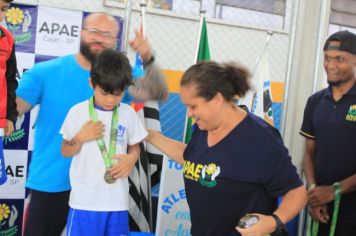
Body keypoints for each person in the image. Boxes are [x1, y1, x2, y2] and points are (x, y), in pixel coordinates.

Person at [16, 12, 167, 236]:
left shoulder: (119, 76)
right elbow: (12, 109)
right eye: (94, 31)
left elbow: (159, 92)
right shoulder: (45, 72)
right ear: (81, 32)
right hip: (51, 182)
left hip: (103, 192)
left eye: (107, 34)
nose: (100, 39)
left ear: (116, 41)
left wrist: (148, 58)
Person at [146, 61, 307, 236]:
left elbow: (297, 192)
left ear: (216, 100)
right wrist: (150, 135)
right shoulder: (203, 127)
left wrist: (272, 222)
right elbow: (191, 157)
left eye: (193, 106)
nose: (189, 114)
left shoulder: (261, 139)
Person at [60, 49, 147, 236]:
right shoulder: (78, 112)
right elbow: (65, 151)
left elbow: (135, 147)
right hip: (84, 203)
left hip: (118, 203)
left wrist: (132, 158)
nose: (110, 100)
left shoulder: (128, 113)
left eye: (117, 94)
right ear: (92, 83)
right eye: (104, 93)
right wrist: (80, 137)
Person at [301, 30, 356, 236]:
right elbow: (308, 154)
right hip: (322, 205)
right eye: (327, 58)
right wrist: (314, 194)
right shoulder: (315, 102)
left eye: (339, 59)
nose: (331, 65)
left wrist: (335, 191)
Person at [0, 0, 17, 185]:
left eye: (3, 10)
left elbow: (10, 80)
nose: (0, 14)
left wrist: (10, 116)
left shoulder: (8, 39)